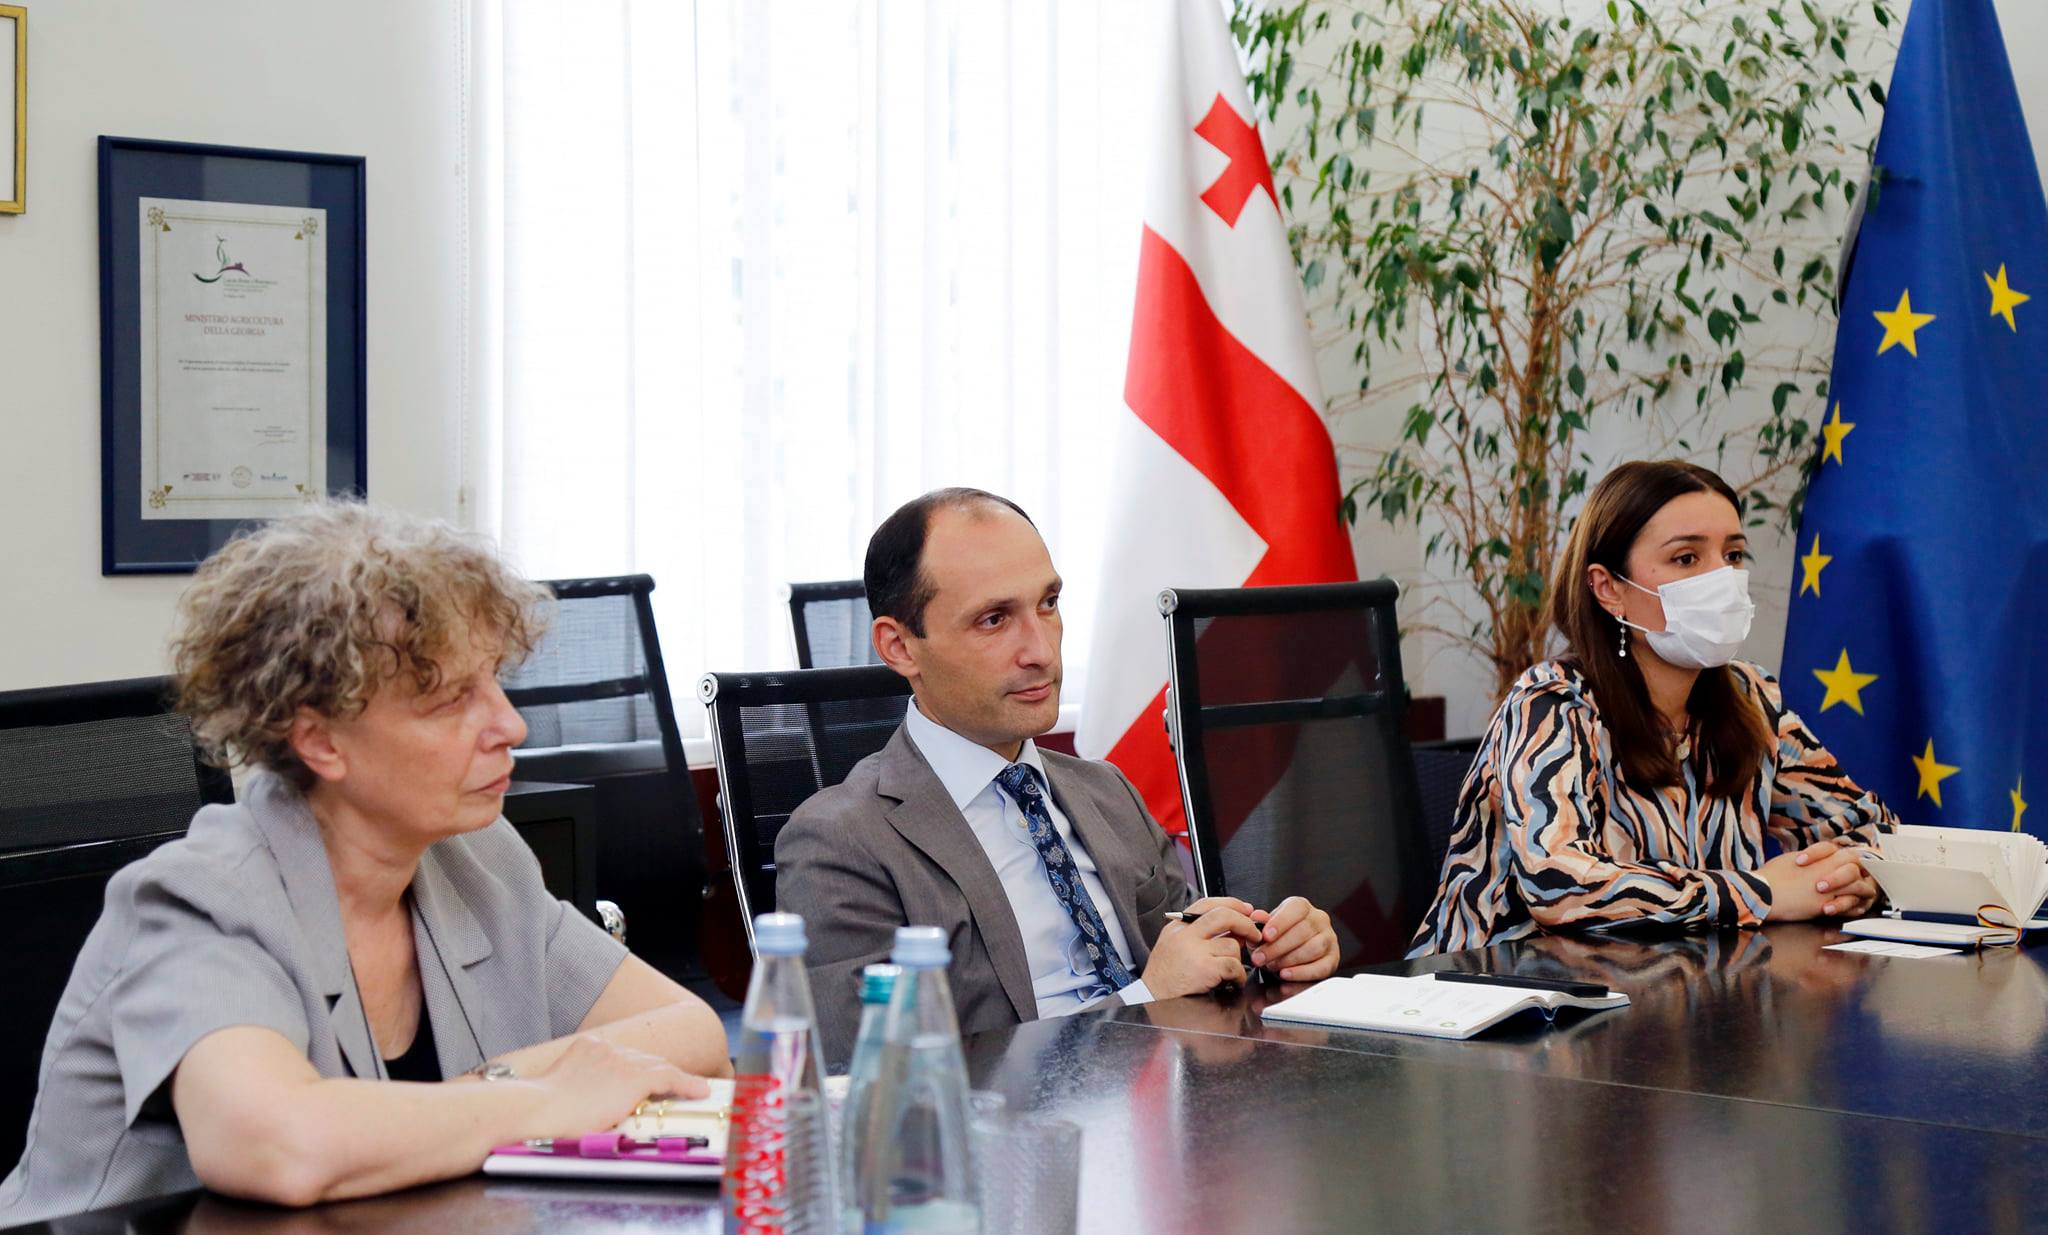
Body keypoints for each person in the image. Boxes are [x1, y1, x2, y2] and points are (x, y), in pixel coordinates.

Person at [0, 502, 730, 1224]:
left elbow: (693, 1036)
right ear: (321, 742)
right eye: (452, 700)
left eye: (494, 681)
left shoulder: (478, 859)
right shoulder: (202, 899)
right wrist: (544, 1099)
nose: (511, 725)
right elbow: (277, 1147)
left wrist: (494, 1083)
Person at [775, 488, 1342, 1062]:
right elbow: (875, 1073)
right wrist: (1144, 1002)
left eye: (1048, 604)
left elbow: (1193, 967)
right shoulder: (841, 842)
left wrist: (1269, 956)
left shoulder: (1106, 791)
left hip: (1184, 1099)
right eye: (994, 620)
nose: (1042, 651)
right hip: (1026, 1119)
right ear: (899, 647)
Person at [1409, 460, 1898, 956]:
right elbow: (1560, 885)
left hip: (1686, 985)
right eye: (1686, 558)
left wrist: (1855, 877)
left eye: (1733, 554)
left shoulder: (1752, 697)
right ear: (1608, 588)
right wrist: (1760, 893)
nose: (1722, 578)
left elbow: (1870, 830)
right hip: (1505, 988)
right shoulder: (1552, 704)